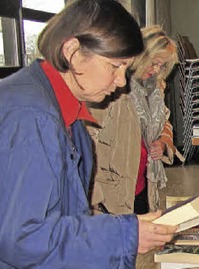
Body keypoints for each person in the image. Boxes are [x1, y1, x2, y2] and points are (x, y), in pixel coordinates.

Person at [0, 0, 176, 267]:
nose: (120, 82)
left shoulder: (58, 106)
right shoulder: (32, 116)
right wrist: (123, 235)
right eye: (114, 67)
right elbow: (23, 238)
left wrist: (121, 226)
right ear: (72, 50)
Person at [88, 25, 183, 215]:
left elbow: (164, 120)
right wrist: (95, 197)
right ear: (140, 55)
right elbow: (90, 138)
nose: (156, 69)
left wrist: (164, 142)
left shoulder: (155, 88)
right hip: (112, 189)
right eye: (153, 62)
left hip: (144, 182)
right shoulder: (111, 87)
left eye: (161, 65)